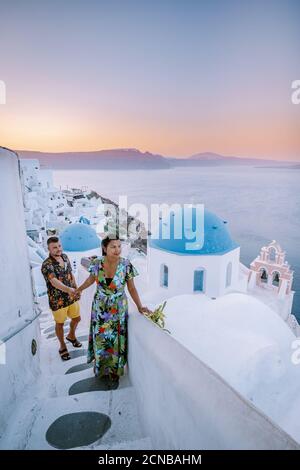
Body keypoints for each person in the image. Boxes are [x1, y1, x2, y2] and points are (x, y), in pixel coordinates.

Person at [76, 235, 151, 384]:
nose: (117, 250)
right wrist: (79, 289)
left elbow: (132, 288)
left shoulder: (126, 264)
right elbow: (91, 280)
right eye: (113, 247)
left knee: (116, 340)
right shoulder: (97, 263)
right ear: (104, 248)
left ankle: (114, 370)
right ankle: (102, 368)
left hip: (118, 308)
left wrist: (140, 306)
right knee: (101, 339)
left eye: (119, 246)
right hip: (100, 307)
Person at [41, 236, 82, 361]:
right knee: (60, 323)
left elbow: (70, 273)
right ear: (48, 249)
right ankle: (62, 346)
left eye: (59, 246)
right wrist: (69, 290)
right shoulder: (47, 265)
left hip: (71, 296)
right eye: (54, 247)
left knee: (77, 318)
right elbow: (53, 282)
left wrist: (76, 288)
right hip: (57, 300)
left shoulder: (65, 257)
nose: (58, 249)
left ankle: (71, 335)